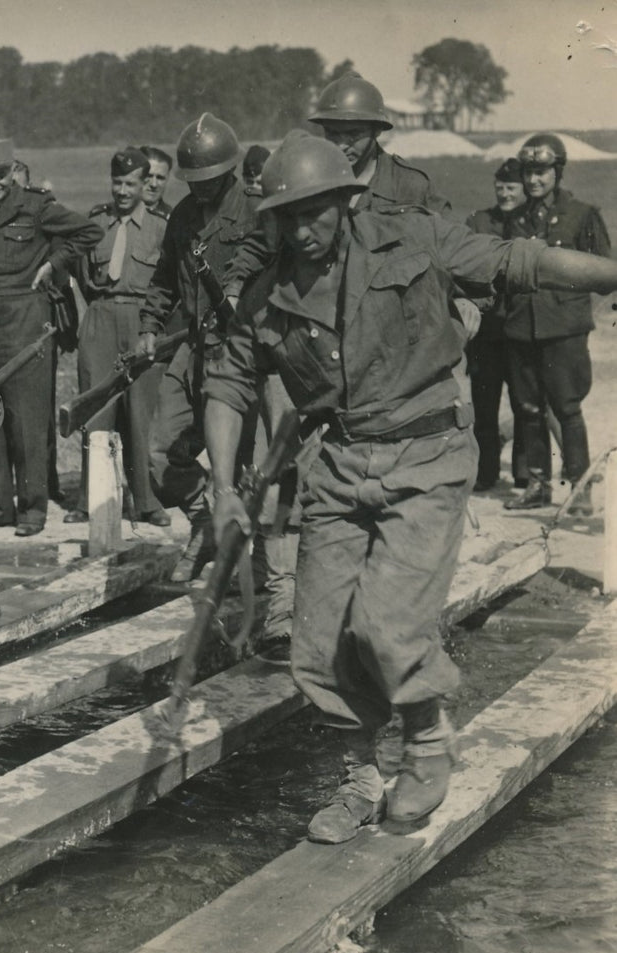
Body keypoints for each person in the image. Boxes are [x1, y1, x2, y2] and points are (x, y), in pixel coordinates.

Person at [204, 130, 617, 844]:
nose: (302, 231)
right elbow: (228, 383)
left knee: (387, 625)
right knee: (317, 641)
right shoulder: (268, 293)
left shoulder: (414, 237)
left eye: (315, 213)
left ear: (343, 201)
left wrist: (614, 276)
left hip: (427, 456)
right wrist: (221, 487)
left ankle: (426, 734)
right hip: (339, 465)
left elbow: (523, 261)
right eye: (286, 217)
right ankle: (358, 774)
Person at [0, 137, 100, 536]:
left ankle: (33, 509)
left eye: (0, 176)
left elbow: (89, 232)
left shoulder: (36, 207)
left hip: (24, 319)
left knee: (27, 420)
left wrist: (53, 264)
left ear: (11, 171)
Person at [136, 114, 260, 580]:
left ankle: (243, 558)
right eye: (195, 180)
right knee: (162, 452)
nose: (202, 188)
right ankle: (204, 522)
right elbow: (166, 275)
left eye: (210, 179)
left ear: (228, 170)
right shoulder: (184, 215)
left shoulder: (254, 209)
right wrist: (150, 323)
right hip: (193, 346)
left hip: (241, 351)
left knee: (243, 460)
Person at [502, 133, 611, 512]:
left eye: (542, 172)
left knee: (567, 408)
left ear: (558, 172)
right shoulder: (513, 218)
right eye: (529, 172)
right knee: (528, 409)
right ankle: (538, 486)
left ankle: (579, 489)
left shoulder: (582, 215)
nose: (533, 180)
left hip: (564, 328)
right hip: (520, 326)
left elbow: (604, 269)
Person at [65, 147, 169, 528]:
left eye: (130, 183)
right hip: (101, 317)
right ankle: (91, 499)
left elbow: (167, 283)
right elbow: (82, 273)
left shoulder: (160, 228)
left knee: (142, 414)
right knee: (95, 409)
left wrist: (150, 328)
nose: (122, 191)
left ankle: (146, 501)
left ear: (145, 185)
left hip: (141, 321)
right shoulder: (95, 223)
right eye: (117, 183)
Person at [464, 157, 527, 491]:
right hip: (487, 335)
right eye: (500, 187)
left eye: (511, 188)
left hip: (520, 333)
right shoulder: (479, 221)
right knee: (485, 408)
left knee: (524, 404)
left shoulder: (531, 221)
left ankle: (524, 473)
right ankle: (486, 472)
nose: (504, 194)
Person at [307, 71, 448, 216]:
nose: (341, 146)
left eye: (353, 134)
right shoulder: (308, 179)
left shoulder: (410, 185)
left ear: (377, 130)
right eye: (332, 133)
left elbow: (453, 235)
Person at [138, 146, 172, 214]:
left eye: (160, 178)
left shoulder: (174, 217)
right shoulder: (113, 215)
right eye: (148, 176)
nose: (154, 184)